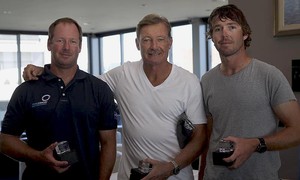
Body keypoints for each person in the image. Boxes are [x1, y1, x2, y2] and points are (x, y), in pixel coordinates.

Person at [22, 14, 207, 180]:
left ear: (170, 42)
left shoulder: (188, 82)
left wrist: (169, 168)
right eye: (146, 40)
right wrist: (46, 71)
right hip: (130, 176)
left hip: (175, 176)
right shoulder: (123, 74)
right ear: (137, 44)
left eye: (160, 39)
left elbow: (199, 138)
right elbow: (81, 84)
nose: (154, 46)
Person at [0, 17, 117, 180]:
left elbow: (108, 143)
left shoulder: (99, 89)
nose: (66, 47)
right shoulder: (26, 90)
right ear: (49, 44)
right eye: (60, 40)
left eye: (73, 41)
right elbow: (5, 140)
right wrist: (37, 156)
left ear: (80, 47)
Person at [199, 4, 300, 180]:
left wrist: (255, 144)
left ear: (244, 33)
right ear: (212, 37)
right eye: (217, 29)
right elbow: (208, 137)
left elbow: (297, 131)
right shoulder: (206, 80)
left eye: (232, 27)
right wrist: (201, 174)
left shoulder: (269, 75)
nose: (224, 34)